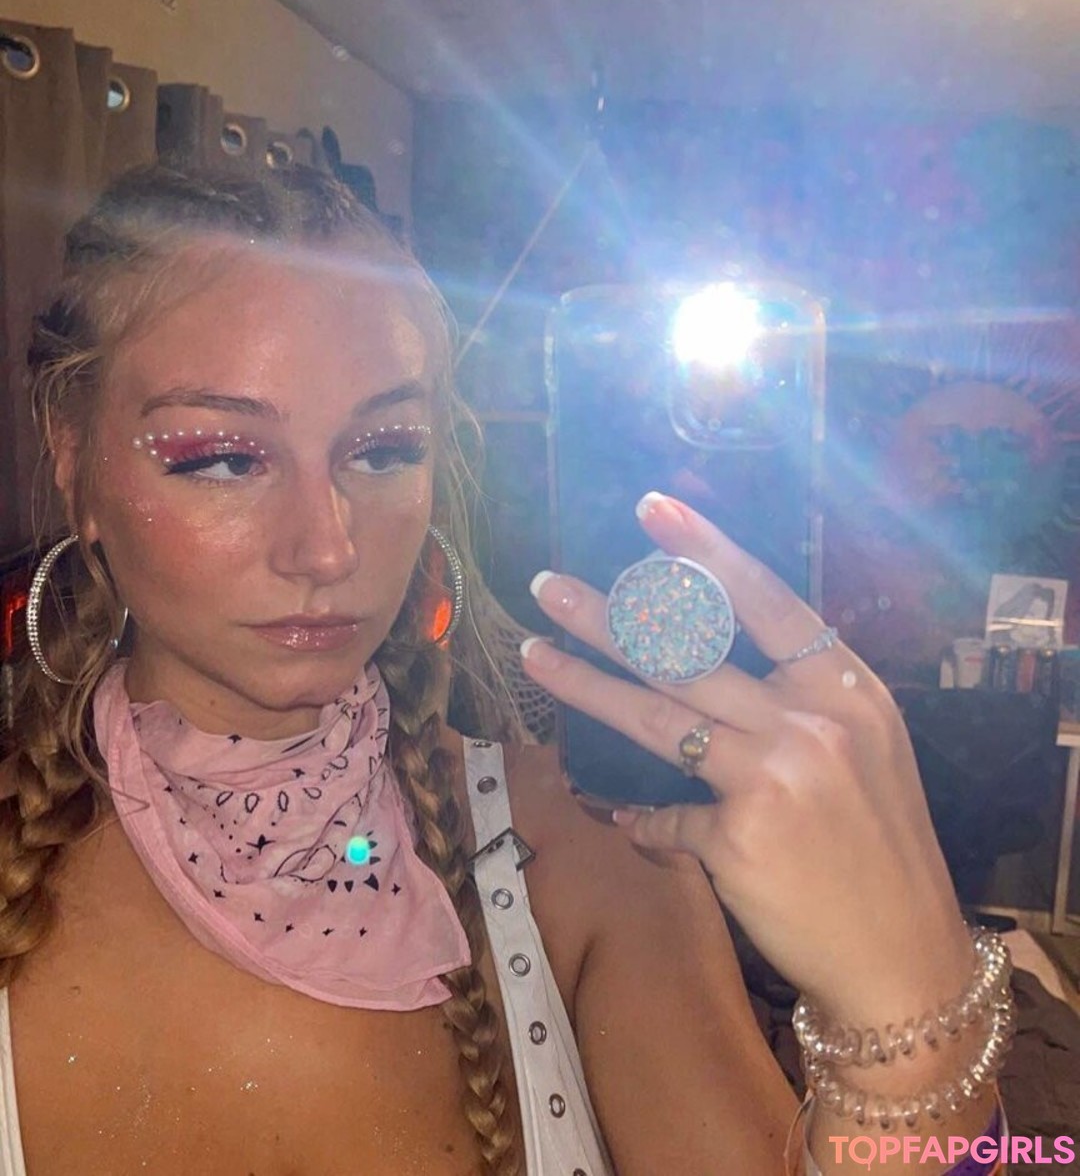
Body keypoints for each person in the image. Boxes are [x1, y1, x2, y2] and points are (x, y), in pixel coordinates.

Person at [0, 164, 1016, 1175]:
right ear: (72, 456)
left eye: (383, 450)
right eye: (224, 456)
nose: (328, 548)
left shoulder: (586, 843)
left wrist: (913, 1026)